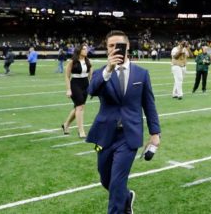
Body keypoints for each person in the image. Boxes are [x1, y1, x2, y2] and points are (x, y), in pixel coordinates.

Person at [86, 30, 161, 213]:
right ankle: (127, 197)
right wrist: (108, 70)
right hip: (104, 135)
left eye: (118, 45)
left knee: (118, 180)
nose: (114, 49)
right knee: (106, 179)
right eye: (110, 46)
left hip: (129, 135)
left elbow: (149, 104)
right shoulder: (100, 73)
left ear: (127, 47)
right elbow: (91, 91)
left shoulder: (141, 74)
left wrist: (155, 134)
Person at [62, 44, 92, 138]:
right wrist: (68, 89)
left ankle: (66, 124)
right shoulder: (72, 62)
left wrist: (91, 87)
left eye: (86, 49)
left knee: (78, 107)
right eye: (84, 49)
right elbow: (67, 76)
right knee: (80, 107)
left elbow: (90, 75)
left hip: (85, 84)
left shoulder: (88, 61)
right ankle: (81, 131)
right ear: (79, 51)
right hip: (75, 84)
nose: (86, 50)